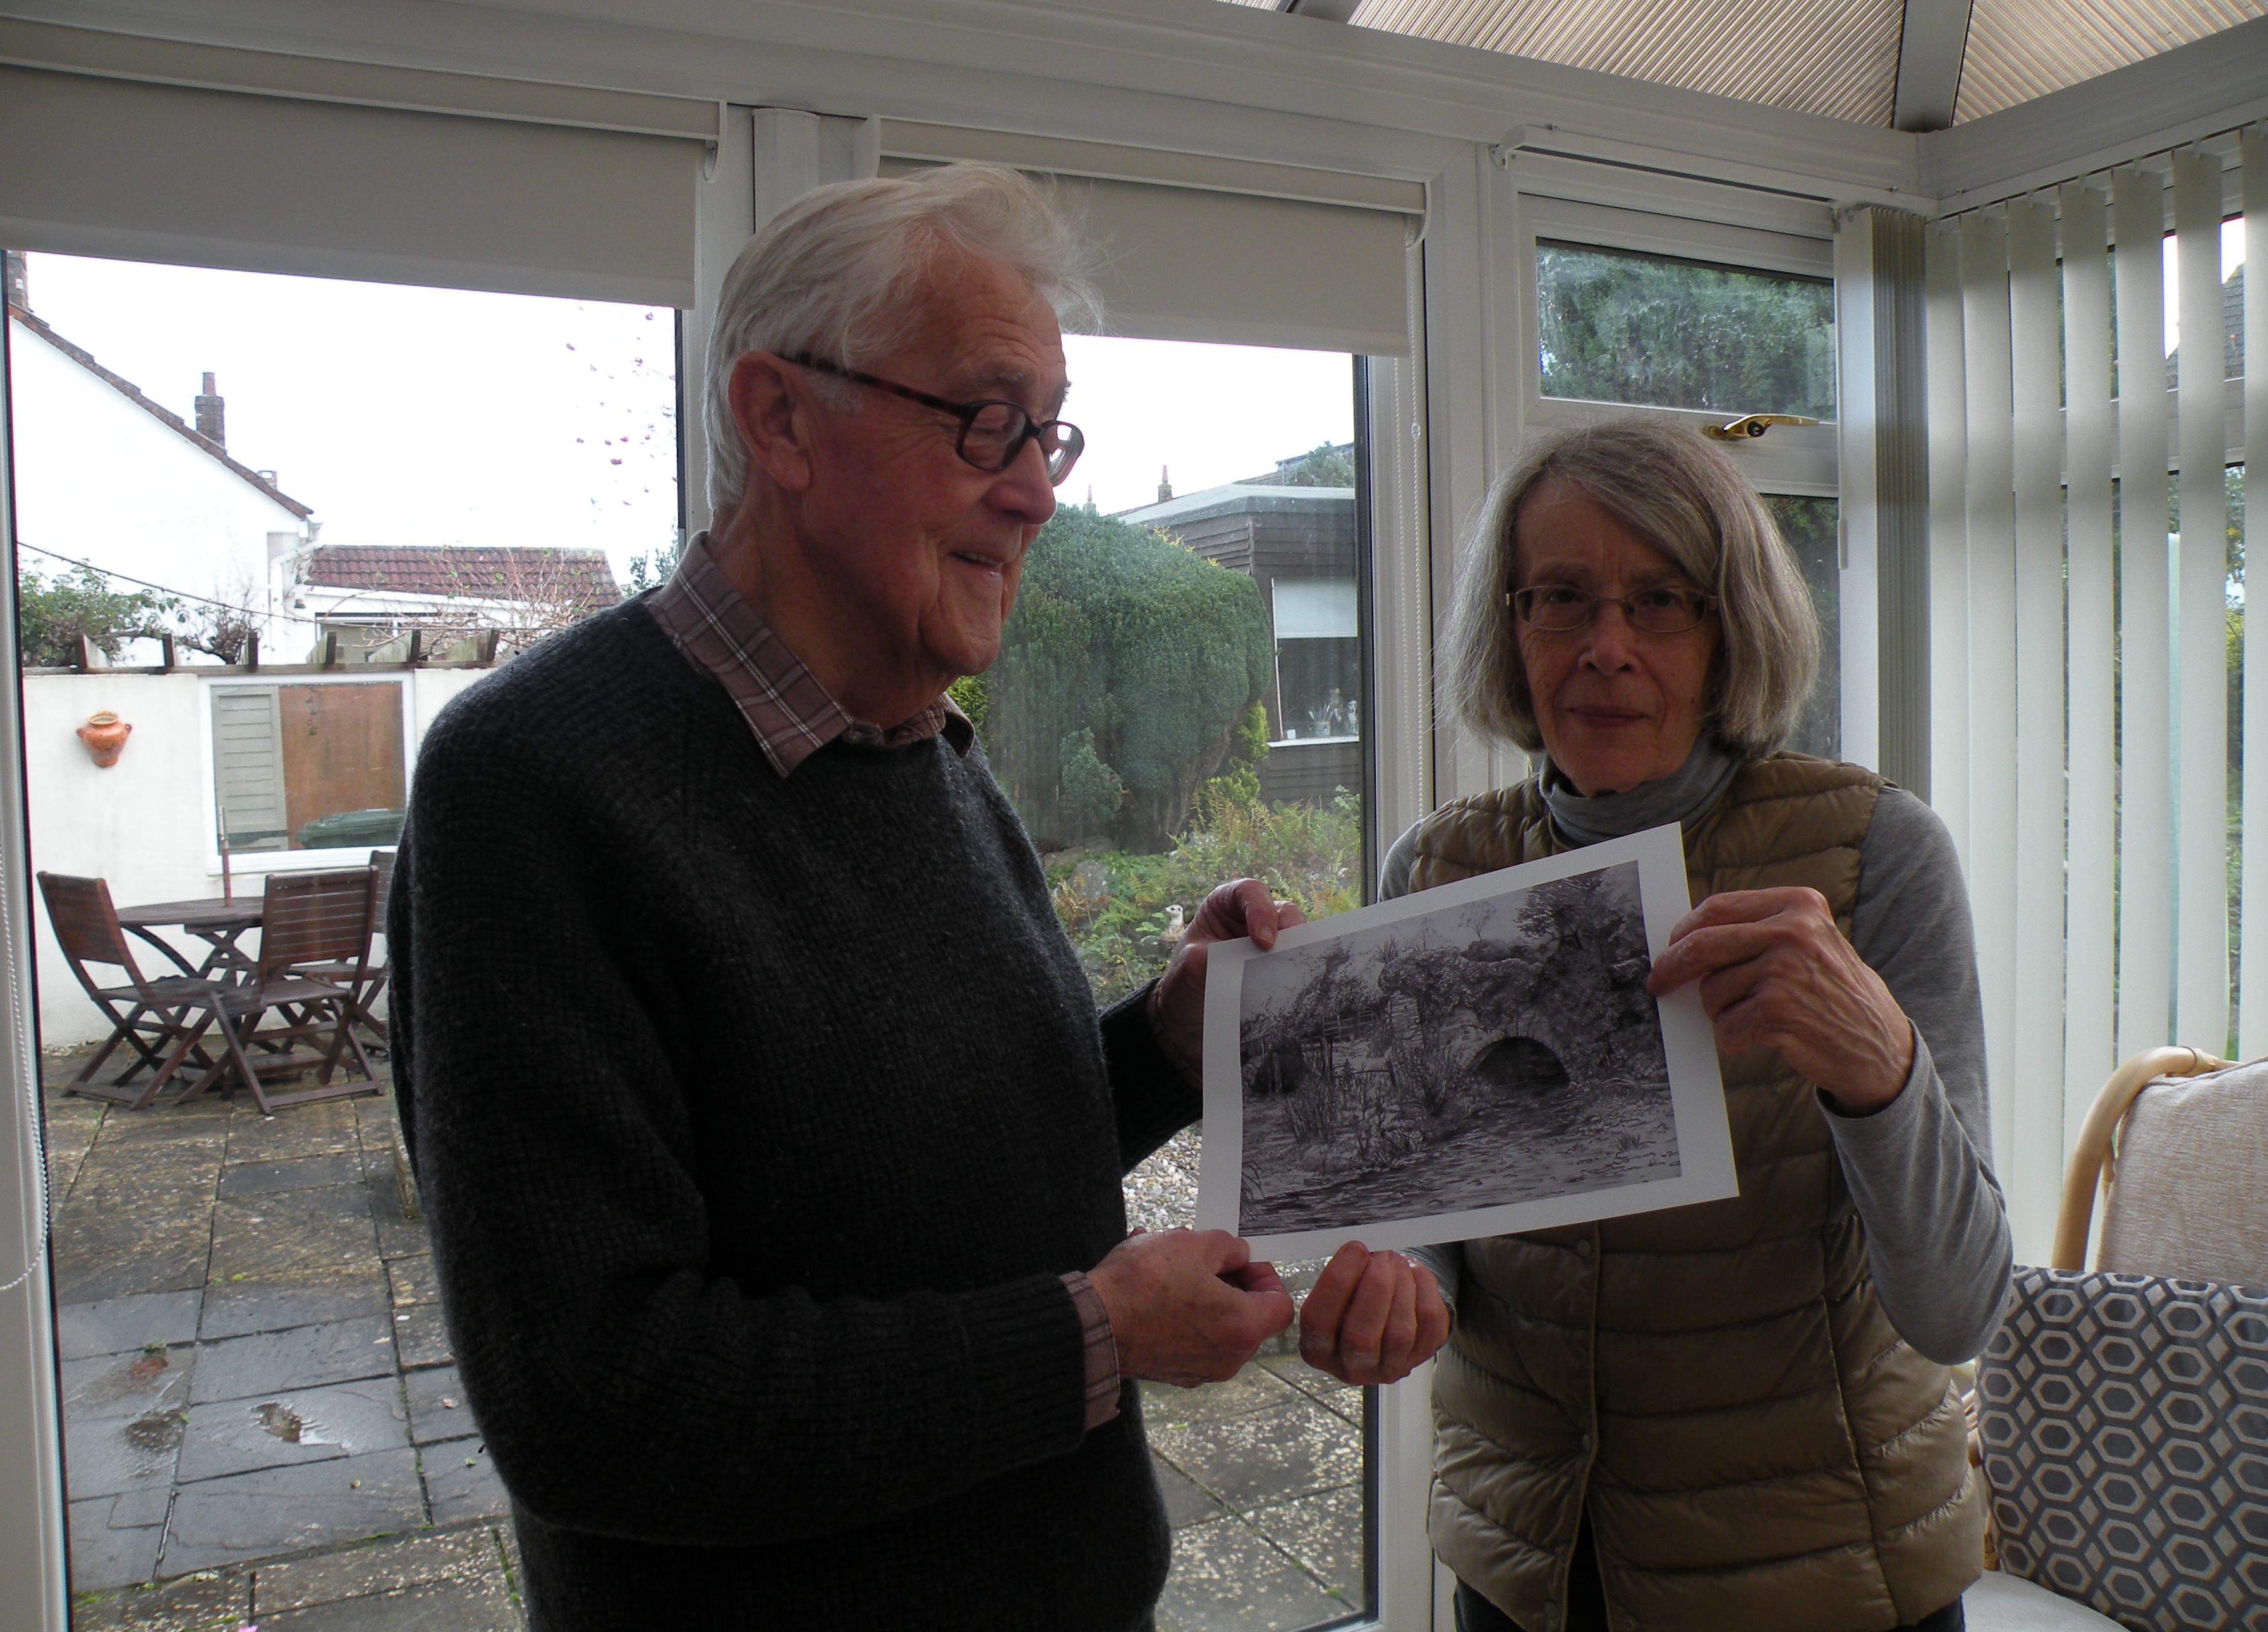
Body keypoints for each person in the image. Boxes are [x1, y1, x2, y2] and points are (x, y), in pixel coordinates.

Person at [389, 162, 1445, 1632]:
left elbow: (939, 1152)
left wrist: (1167, 1039)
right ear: (780, 419)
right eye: (981, 420)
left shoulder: (926, 744)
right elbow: (594, 1402)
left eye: (1049, 435)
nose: (1033, 491)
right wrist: (1093, 1333)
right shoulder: (534, 784)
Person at [1388, 418, 2010, 1632]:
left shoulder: (1876, 855)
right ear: (1511, 633)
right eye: (1559, 599)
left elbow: (1958, 1311)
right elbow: (1439, 1244)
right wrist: (1388, 1280)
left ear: (1731, 633)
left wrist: (1877, 1069)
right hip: (1530, 1574)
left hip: (1822, 1580)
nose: (1605, 649)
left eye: (1661, 601)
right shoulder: (1440, 872)